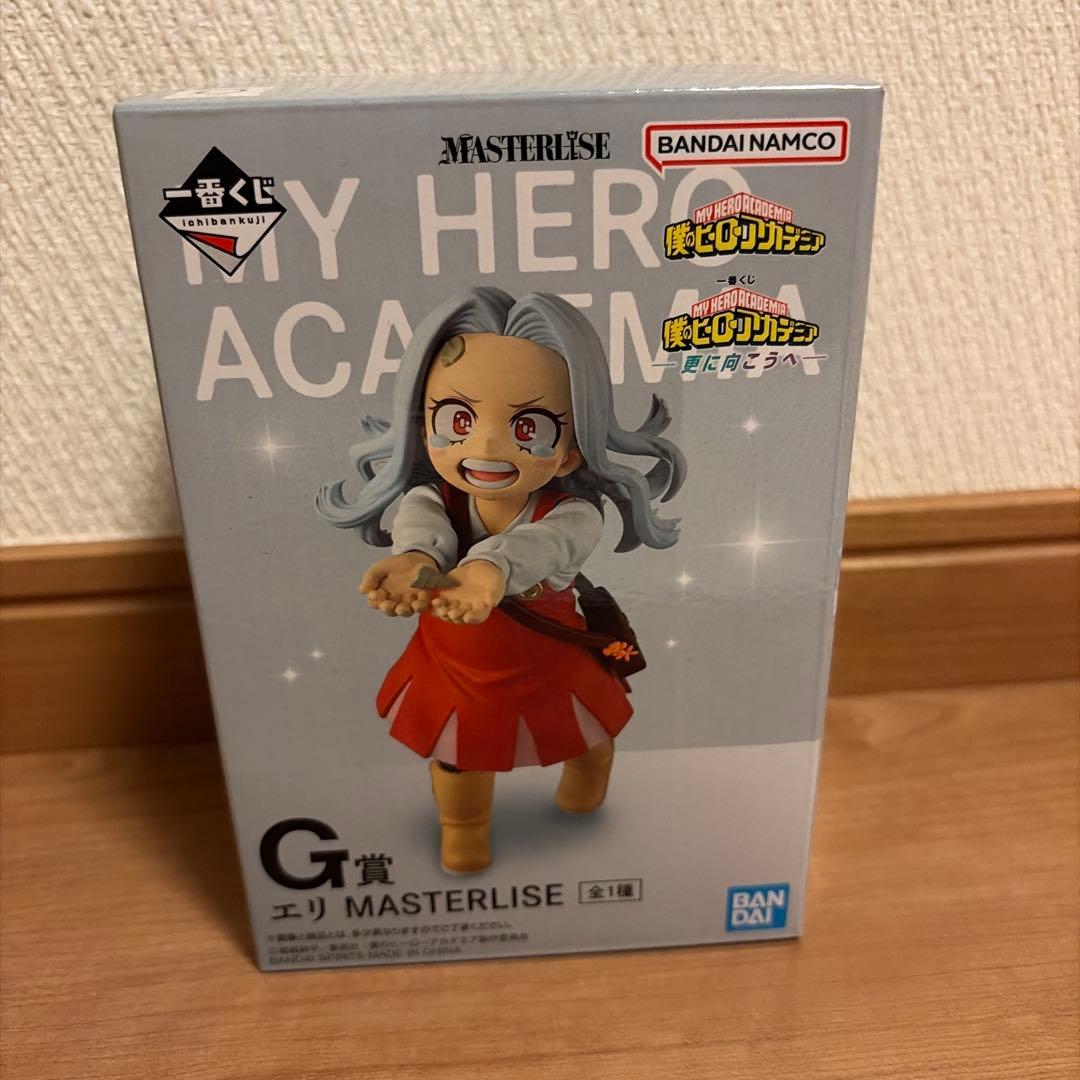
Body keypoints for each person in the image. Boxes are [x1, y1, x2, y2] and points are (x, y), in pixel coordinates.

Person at [317, 288, 684, 872]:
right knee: (458, 754)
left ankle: (587, 787)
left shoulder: (574, 514)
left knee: (586, 737)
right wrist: (414, 562)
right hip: (454, 661)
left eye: (529, 426)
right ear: (422, 423)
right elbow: (423, 528)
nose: (485, 445)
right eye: (457, 420)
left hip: (548, 656)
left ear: (572, 449)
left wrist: (490, 569)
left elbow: (543, 544)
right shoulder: (431, 498)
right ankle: (463, 828)